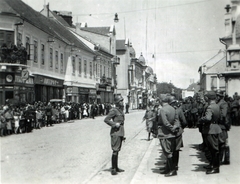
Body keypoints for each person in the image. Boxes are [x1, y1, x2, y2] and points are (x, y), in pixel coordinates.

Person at [199, 91, 222, 174]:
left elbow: (208, 118)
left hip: (210, 129)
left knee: (213, 149)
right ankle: (212, 164)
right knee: (212, 148)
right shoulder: (216, 105)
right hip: (215, 127)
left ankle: (215, 168)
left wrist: (201, 119)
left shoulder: (210, 107)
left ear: (208, 98)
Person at [157, 94, 180, 177]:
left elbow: (165, 122)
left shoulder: (162, 110)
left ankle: (172, 170)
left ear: (161, 100)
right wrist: (174, 127)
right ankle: (168, 168)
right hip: (172, 134)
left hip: (165, 133)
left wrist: (171, 128)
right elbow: (177, 120)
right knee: (170, 151)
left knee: (167, 152)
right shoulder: (173, 108)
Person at [104, 94, 125, 175]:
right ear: (117, 102)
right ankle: (113, 168)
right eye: (121, 101)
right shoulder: (114, 111)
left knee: (117, 150)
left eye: (122, 100)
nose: (122, 102)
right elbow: (106, 119)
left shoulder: (120, 110)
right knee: (115, 151)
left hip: (120, 132)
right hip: (115, 132)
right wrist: (114, 124)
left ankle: (116, 167)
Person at [216, 91, 230, 165]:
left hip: (222, 125)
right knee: (222, 142)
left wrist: (216, 117)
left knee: (222, 142)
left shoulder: (223, 103)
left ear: (221, 96)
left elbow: (223, 115)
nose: (217, 97)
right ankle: (223, 159)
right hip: (220, 125)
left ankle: (224, 159)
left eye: (218, 95)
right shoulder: (219, 103)